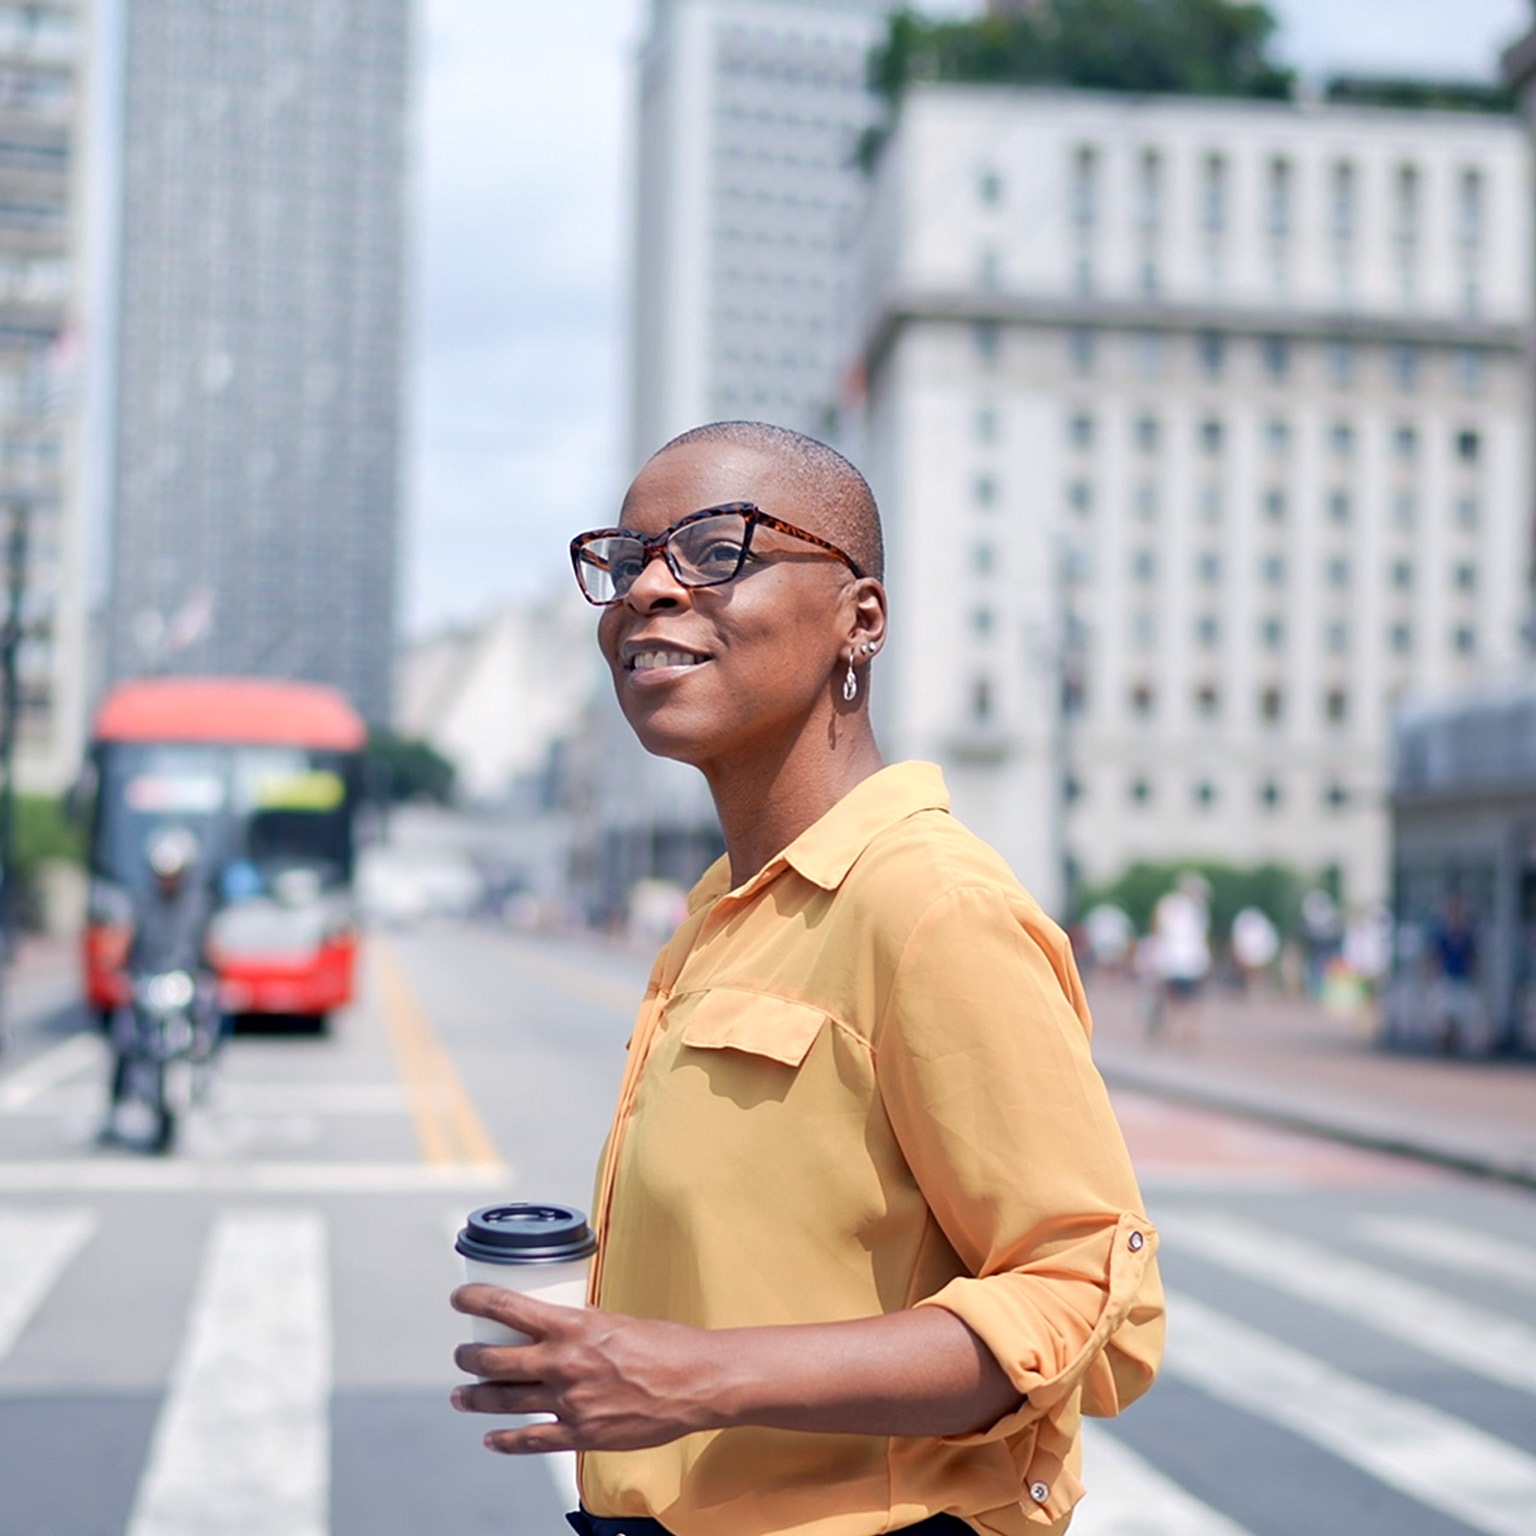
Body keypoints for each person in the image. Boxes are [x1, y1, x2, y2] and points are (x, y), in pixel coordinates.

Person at [450, 422, 1164, 1536]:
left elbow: (1086, 1300)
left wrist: (698, 1376)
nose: (648, 588)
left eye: (714, 549)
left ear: (859, 619)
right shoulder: (721, 912)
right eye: (626, 557)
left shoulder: (930, 903)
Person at [103, 827, 219, 1131]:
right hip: (149, 982)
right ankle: (116, 1103)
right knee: (124, 1037)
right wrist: (118, 971)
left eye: (173, 873)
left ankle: (204, 1081)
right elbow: (125, 942)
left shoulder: (198, 904)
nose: (167, 879)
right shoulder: (142, 902)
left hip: (186, 983)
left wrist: (214, 970)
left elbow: (209, 946)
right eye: (162, 873)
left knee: (211, 1023)